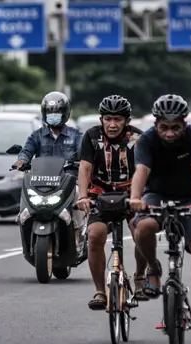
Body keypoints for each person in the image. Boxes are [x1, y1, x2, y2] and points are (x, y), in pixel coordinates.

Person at [129, 94, 191, 329]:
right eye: (164, 127)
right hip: (156, 194)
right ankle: (153, 268)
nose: (169, 133)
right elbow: (141, 171)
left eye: (175, 127)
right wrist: (135, 198)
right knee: (144, 226)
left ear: (184, 124)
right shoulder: (146, 140)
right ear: (156, 124)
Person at [76, 95, 146, 310]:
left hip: (131, 194)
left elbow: (144, 170)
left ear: (126, 121)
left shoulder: (138, 138)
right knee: (95, 236)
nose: (112, 124)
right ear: (101, 119)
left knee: (143, 233)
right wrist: (82, 196)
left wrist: (142, 197)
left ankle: (140, 278)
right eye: (108, 119)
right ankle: (99, 291)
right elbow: (85, 168)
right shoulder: (91, 137)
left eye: (117, 119)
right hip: (100, 195)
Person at [12, 91, 86, 252]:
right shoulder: (37, 136)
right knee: (25, 193)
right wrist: (21, 161)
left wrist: (83, 160)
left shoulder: (76, 135)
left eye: (57, 113)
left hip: (67, 181)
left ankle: (78, 234)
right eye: (50, 113)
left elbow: (84, 152)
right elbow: (26, 152)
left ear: (65, 113)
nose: (53, 116)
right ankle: (24, 219)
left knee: (79, 194)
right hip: (41, 182)